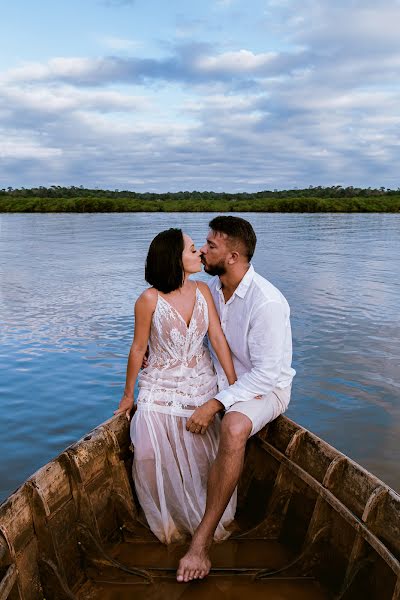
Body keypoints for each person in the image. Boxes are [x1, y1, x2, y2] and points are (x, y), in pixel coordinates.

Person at [176, 216, 296, 583]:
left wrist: (217, 402)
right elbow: (178, 314)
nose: (201, 250)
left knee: (233, 425)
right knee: (167, 405)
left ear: (232, 256)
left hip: (266, 389)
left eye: (211, 245)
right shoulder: (211, 289)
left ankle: (201, 542)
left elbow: (267, 374)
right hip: (222, 380)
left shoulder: (267, 302)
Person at [114, 228, 238, 552]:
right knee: (146, 451)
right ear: (175, 259)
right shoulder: (148, 299)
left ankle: (203, 520)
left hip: (201, 385)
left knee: (203, 456)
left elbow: (217, 339)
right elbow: (138, 349)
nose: (199, 254)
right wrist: (128, 396)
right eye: (193, 249)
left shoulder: (202, 291)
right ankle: (167, 522)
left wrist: (234, 386)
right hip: (159, 386)